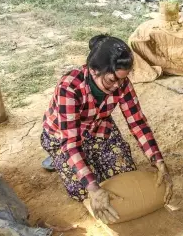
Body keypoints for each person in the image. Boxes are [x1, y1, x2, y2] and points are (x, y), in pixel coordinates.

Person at [40, 35, 172, 224]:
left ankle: (82, 161)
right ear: (94, 71)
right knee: (84, 190)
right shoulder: (69, 88)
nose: (118, 85)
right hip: (63, 136)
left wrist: (158, 160)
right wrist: (93, 187)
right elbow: (70, 143)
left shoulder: (121, 83)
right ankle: (57, 157)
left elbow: (137, 123)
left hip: (98, 129)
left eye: (122, 80)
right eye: (112, 80)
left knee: (123, 176)